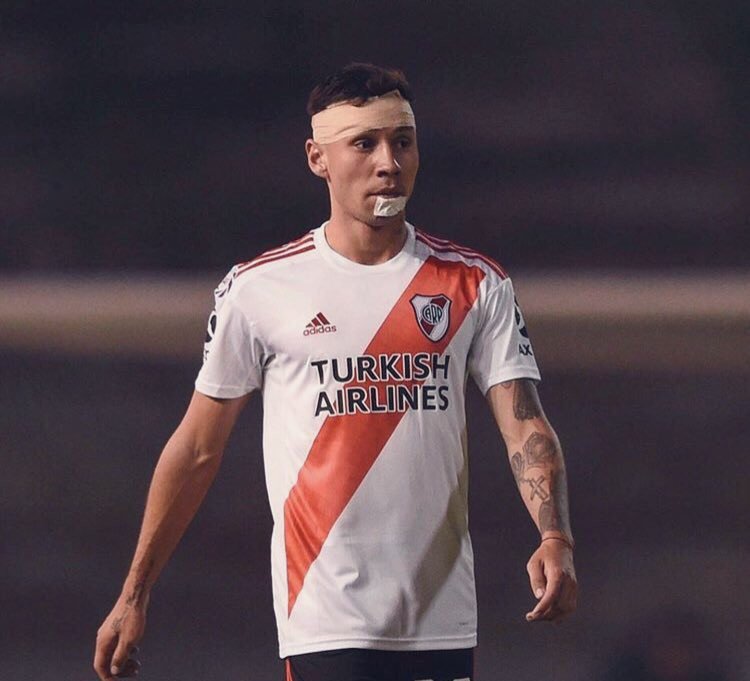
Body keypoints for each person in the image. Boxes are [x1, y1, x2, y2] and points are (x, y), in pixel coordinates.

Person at [93, 62, 577, 681]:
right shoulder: (260, 288)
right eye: (364, 144)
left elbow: (524, 425)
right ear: (317, 158)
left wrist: (555, 536)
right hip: (323, 619)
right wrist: (134, 593)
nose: (388, 163)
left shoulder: (475, 283)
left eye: (403, 141)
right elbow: (195, 450)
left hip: (441, 620)